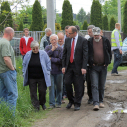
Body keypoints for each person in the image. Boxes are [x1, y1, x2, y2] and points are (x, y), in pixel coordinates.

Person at [62, 26, 88, 111]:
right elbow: (64, 54)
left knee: (78, 85)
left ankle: (77, 103)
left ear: (74, 33)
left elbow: (85, 55)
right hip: (69, 66)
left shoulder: (83, 40)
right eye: (67, 33)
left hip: (79, 67)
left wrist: (84, 67)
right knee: (67, 83)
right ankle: (71, 100)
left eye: (69, 33)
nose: (67, 34)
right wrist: (63, 66)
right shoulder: (67, 40)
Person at [23, 41, 51, 111]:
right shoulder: (28, 54)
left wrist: (48, 71)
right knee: (33, 92)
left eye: (37, 48)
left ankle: (42, 103)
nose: (35, 50)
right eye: (33, 49)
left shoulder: (43, 54)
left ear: (39, 47)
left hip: (41, 76)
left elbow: (48, 62)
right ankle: (36, 106)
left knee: (42, 91)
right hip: (31, 77)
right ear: (31, 48)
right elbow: (24, 64)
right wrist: (24, 72)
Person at [88, 27, 112, 111]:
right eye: (95, 35)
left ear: (100, 33)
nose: (96, 37)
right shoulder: (90, 41)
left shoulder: (105, 41)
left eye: (97, 35)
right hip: (94, 67)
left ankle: (101, 101)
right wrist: (90, 62)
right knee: (94, 85)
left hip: (103, 66)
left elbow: (109, 51)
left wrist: (108, 62)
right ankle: (96, 103)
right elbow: (88, 53)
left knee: (101, 85)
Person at [0, 27, 18, 113]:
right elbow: (6, 59)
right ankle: (11, 117)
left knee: (3, 95)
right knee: (13, 94)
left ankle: (3, 115)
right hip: (7, 72)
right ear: (11, 34)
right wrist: (13, 68)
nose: (13, 37)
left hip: (1, 72)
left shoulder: (0, 41)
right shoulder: (5, 43)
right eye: (13, 35)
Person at [45, 34, 63, 109]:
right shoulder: (47, 48)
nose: (54, 41)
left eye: (55, 39)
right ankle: (52, 103)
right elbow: (45, 57)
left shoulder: (60, 49)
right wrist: (51, 50)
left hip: (59, 71)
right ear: (50, 41)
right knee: (51, 87)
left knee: (59, 87)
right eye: (52, 40)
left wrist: (51, 59)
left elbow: (61, 60)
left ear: (57, 40)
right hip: (50, 71)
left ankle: (58, 102)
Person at [85, 25, 95, 104]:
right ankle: (90, 97)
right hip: (88, 65)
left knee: (96, 82)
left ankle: (96, 97)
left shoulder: (98, 40)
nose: (89, 33)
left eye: (90, 32)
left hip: (96, 65)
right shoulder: (87, 40)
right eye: (88, 32)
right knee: (89, 82)